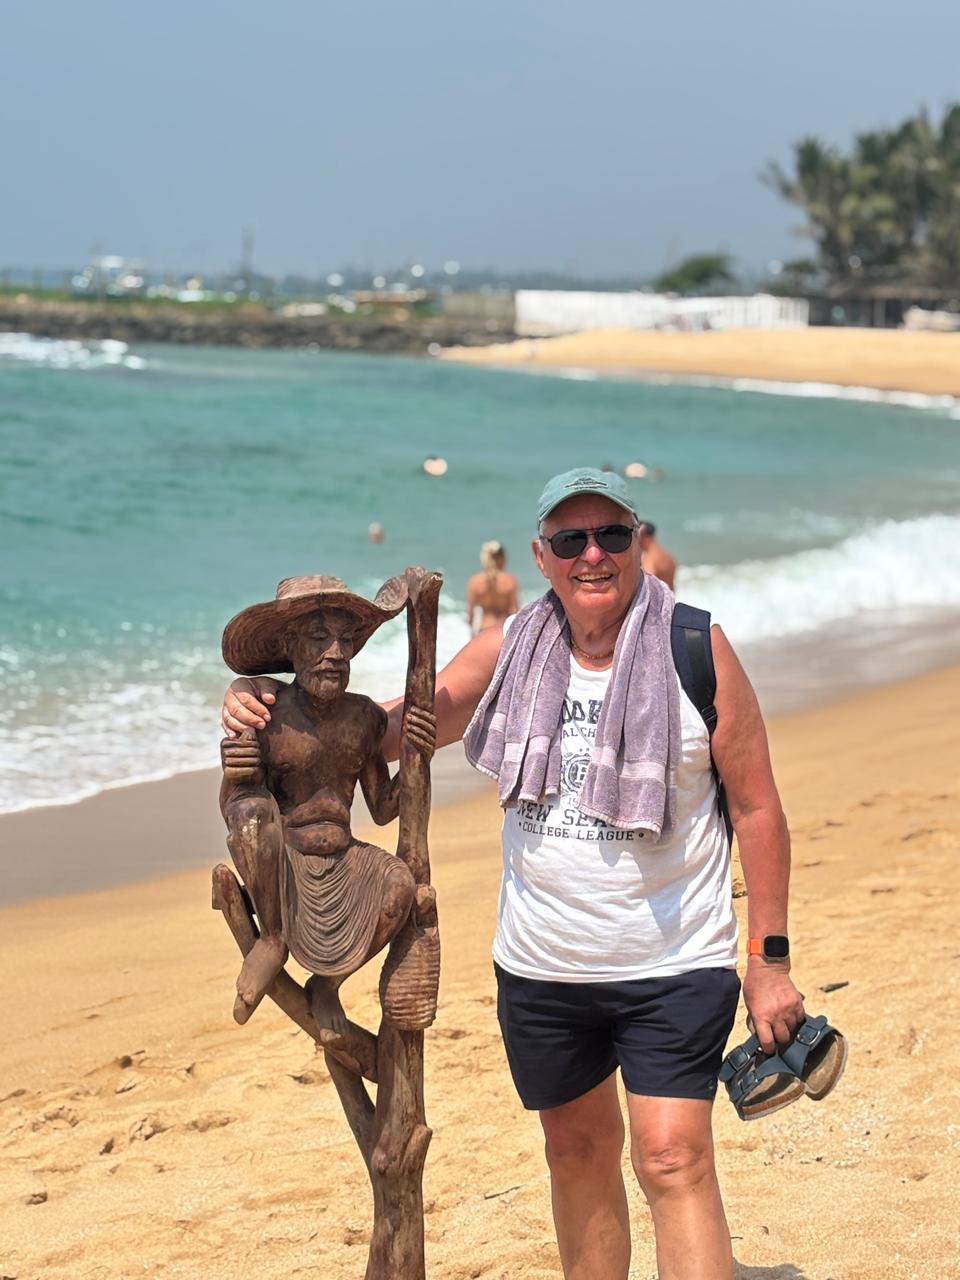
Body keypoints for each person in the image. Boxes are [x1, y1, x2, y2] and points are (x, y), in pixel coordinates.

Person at [223, 466, 803, 1280]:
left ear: (638, 544)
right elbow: (386, 732)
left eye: (610, 535)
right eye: (571, 540)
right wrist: (263, 701)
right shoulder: (510, 648)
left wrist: (769, 961)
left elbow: (758, 807)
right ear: (541, 555)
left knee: (673, 1158)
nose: (592, 554)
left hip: (674, 959)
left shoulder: (695, 648)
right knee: (575, 1152)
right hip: (543, 966)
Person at [466, 540, 520, 633]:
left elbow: (471, 615)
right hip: (503, 630)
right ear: (502, 559)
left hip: (483, 630)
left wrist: (474, 637)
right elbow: (515, 612)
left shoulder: (475, 581)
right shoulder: (510, 580)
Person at [638, 519, 677, 591]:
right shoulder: (669, 556)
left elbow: (647, 585)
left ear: (642, 534)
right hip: (670, 597)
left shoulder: (650, 558)